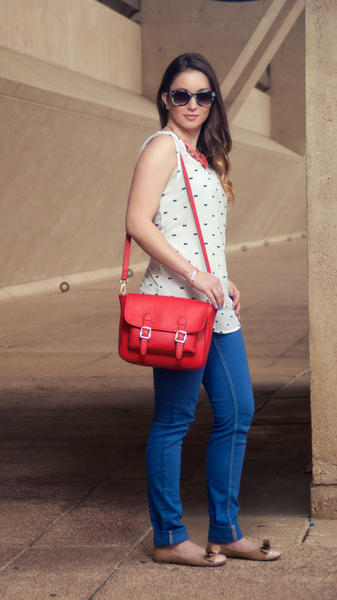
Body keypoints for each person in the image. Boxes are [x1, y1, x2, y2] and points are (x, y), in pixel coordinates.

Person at [125, 53, 281, 567]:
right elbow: (138, 223)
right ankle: (169, 537)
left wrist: (221, 278)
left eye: (203, 95)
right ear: (165, 99)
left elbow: (197, 234)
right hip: (177, 309)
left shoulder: (203, 156)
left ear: (213, 101)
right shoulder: (162, 147)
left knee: (238, 411)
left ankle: (226, 530)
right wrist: (196, 276)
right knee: (174, 420)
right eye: (181, 94)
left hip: (215, 307)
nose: (192, 104)